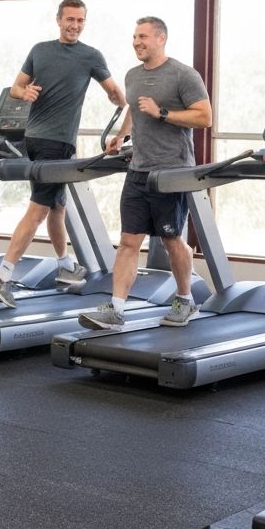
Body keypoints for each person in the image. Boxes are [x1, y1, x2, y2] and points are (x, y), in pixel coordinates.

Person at [0, 0, 126, 307]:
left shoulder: (91, 56)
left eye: (80, 21)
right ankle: (2, 276)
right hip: (50, 142)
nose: (75, 25)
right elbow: (16, 88)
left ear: (84, 23)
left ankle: (64, 267)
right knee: (38, 209)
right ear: (58, 20)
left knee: (56, 207)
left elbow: (114, 92)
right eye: (70, 19)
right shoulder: (40, 50)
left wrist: (117, 97)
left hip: (45, 141)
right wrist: (25, 92)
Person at [78, 16, 211, 330]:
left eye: (143, 37)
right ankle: (116, 309)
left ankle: (185, 299)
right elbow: (134, 110)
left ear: (160, 38)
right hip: (137, 171)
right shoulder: (132, 75)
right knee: (127, 242)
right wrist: (122, 136)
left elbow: (204, 117)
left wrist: (162, 113)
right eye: (134, 37)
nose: (136, 42)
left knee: (172, 240)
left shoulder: (183, 74)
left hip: (171, 172)